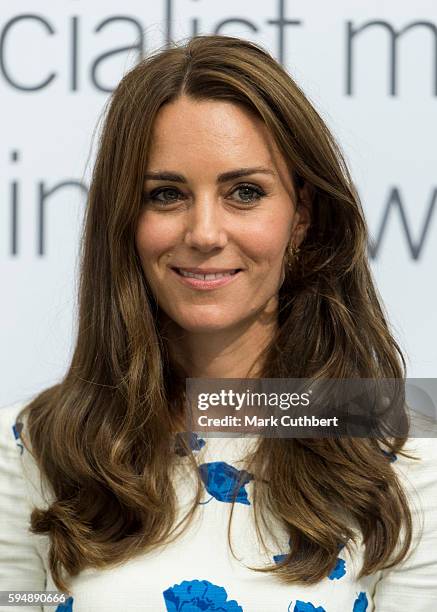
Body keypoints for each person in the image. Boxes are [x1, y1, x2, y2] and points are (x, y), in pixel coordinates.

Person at [0, 34, 436, 612]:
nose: (204, 233)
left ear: (301, 217)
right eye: (166, 194)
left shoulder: (405, 453)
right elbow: (18, 601)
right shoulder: (32, 446)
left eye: (245, 192)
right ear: (125, 218)